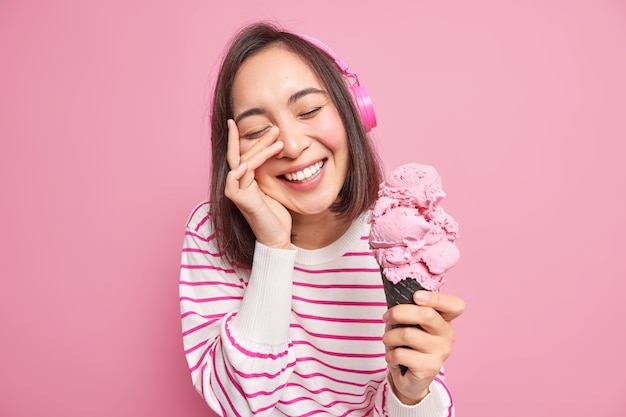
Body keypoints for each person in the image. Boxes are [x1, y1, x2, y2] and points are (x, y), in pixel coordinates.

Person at [179, 21, 465, 416]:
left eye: (310, 110)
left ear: (354, 110)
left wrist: (412, 392)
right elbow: (242, 402)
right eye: (259, 131)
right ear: (232, 151)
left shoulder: (395, 235)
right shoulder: (212, 234)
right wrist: (273, 247)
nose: (293, 147)